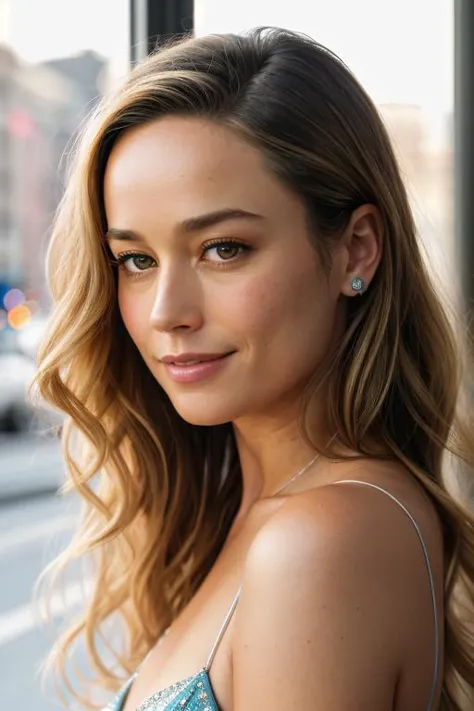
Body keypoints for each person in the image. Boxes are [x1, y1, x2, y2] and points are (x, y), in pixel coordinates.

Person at [34, 26, 474, 711]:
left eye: (223, 248)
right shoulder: (271, 512)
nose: (166, 312)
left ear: (356, 250)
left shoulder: (322, 541)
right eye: (137, 260)